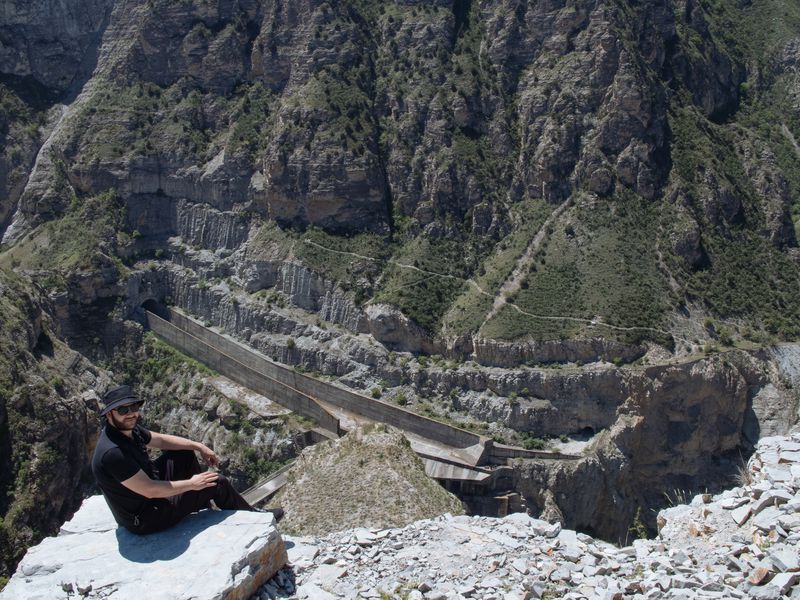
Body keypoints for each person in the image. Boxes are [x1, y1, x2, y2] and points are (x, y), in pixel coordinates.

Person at [92, 384, 282, 534]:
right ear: (109, 414)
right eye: (123, 410)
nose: (131, 413)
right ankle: (253, 521)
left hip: (147, 498)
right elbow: (149, 490)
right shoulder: (113, 453)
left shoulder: (127, 430)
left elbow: (160, 440)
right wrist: (192, 484)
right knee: (217, 483)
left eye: (133, 407)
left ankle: (197, 503)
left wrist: (197, 445)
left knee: (183, 453)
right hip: (145, 517)